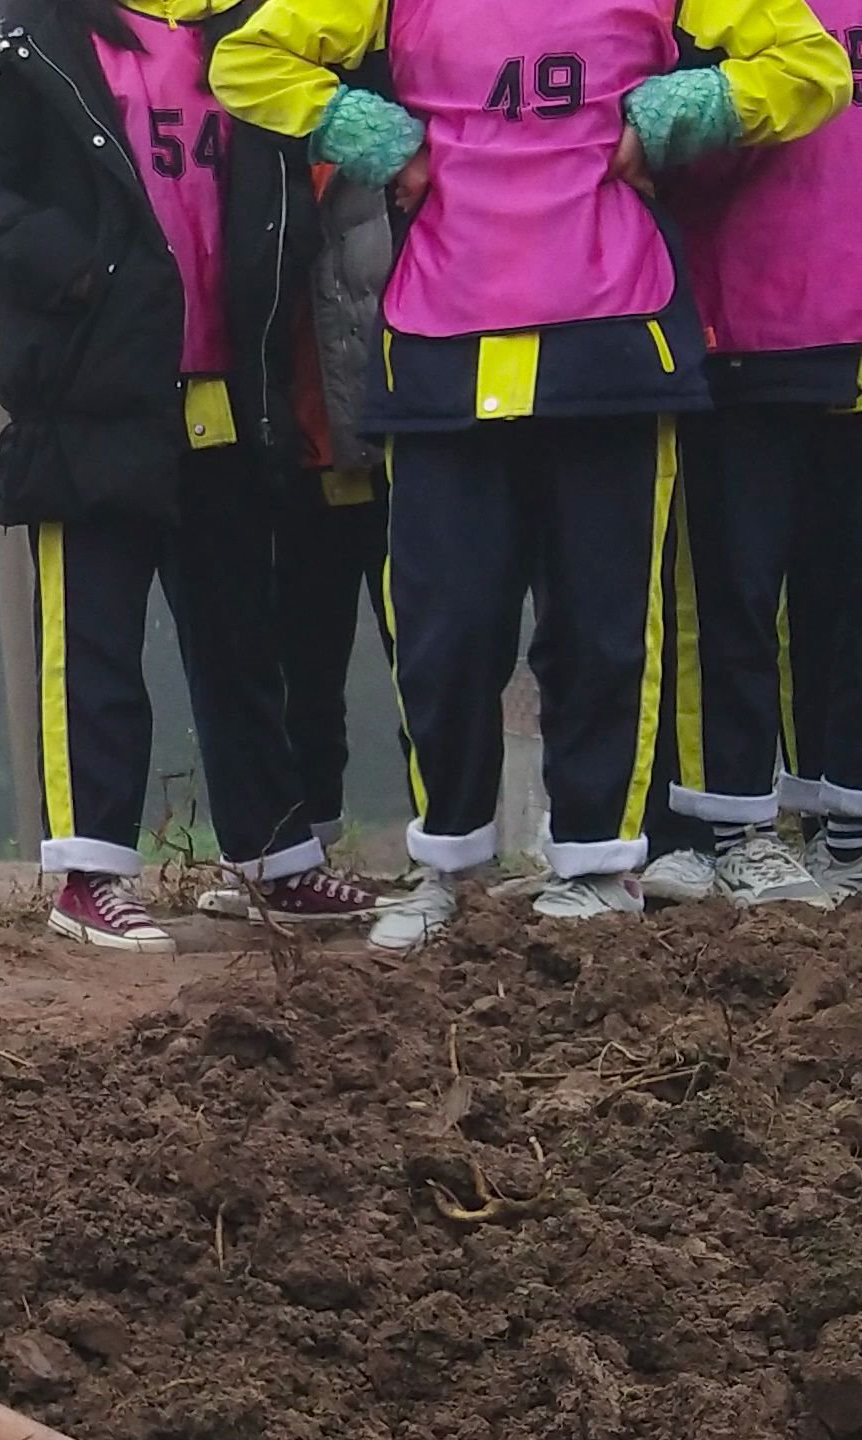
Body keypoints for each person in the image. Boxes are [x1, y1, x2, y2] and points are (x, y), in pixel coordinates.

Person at [209, 0, 849, 952]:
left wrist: (686, 110)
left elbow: (810, 65)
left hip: (610, 339)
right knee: (443, 629)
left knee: (602, 627)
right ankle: (450, 867)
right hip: (443, 343)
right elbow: (249, 60)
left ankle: (596, 866)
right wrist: (373, 132)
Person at [0, 0, 388, 954]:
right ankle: (89, 876)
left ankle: (276, 862)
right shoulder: (34, 40)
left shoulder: (247, 38)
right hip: (90, 403)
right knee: (94, 648)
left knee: (240, 642)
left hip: (227, 393)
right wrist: (89, 272)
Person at [637, 15, 862, 908]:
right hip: (740, 331)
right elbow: (667, 145)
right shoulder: (715, 13)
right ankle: (728, 822)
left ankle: (842, 824)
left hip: (849, 337)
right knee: (724, 592)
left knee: (843, 593)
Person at [198, 160, 403, 920]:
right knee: (294, 669)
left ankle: (453, 843)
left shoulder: (385, 142)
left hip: (390, 446)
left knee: (423, 656)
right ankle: (296, 853)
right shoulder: (249, 153)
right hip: (286, 453)